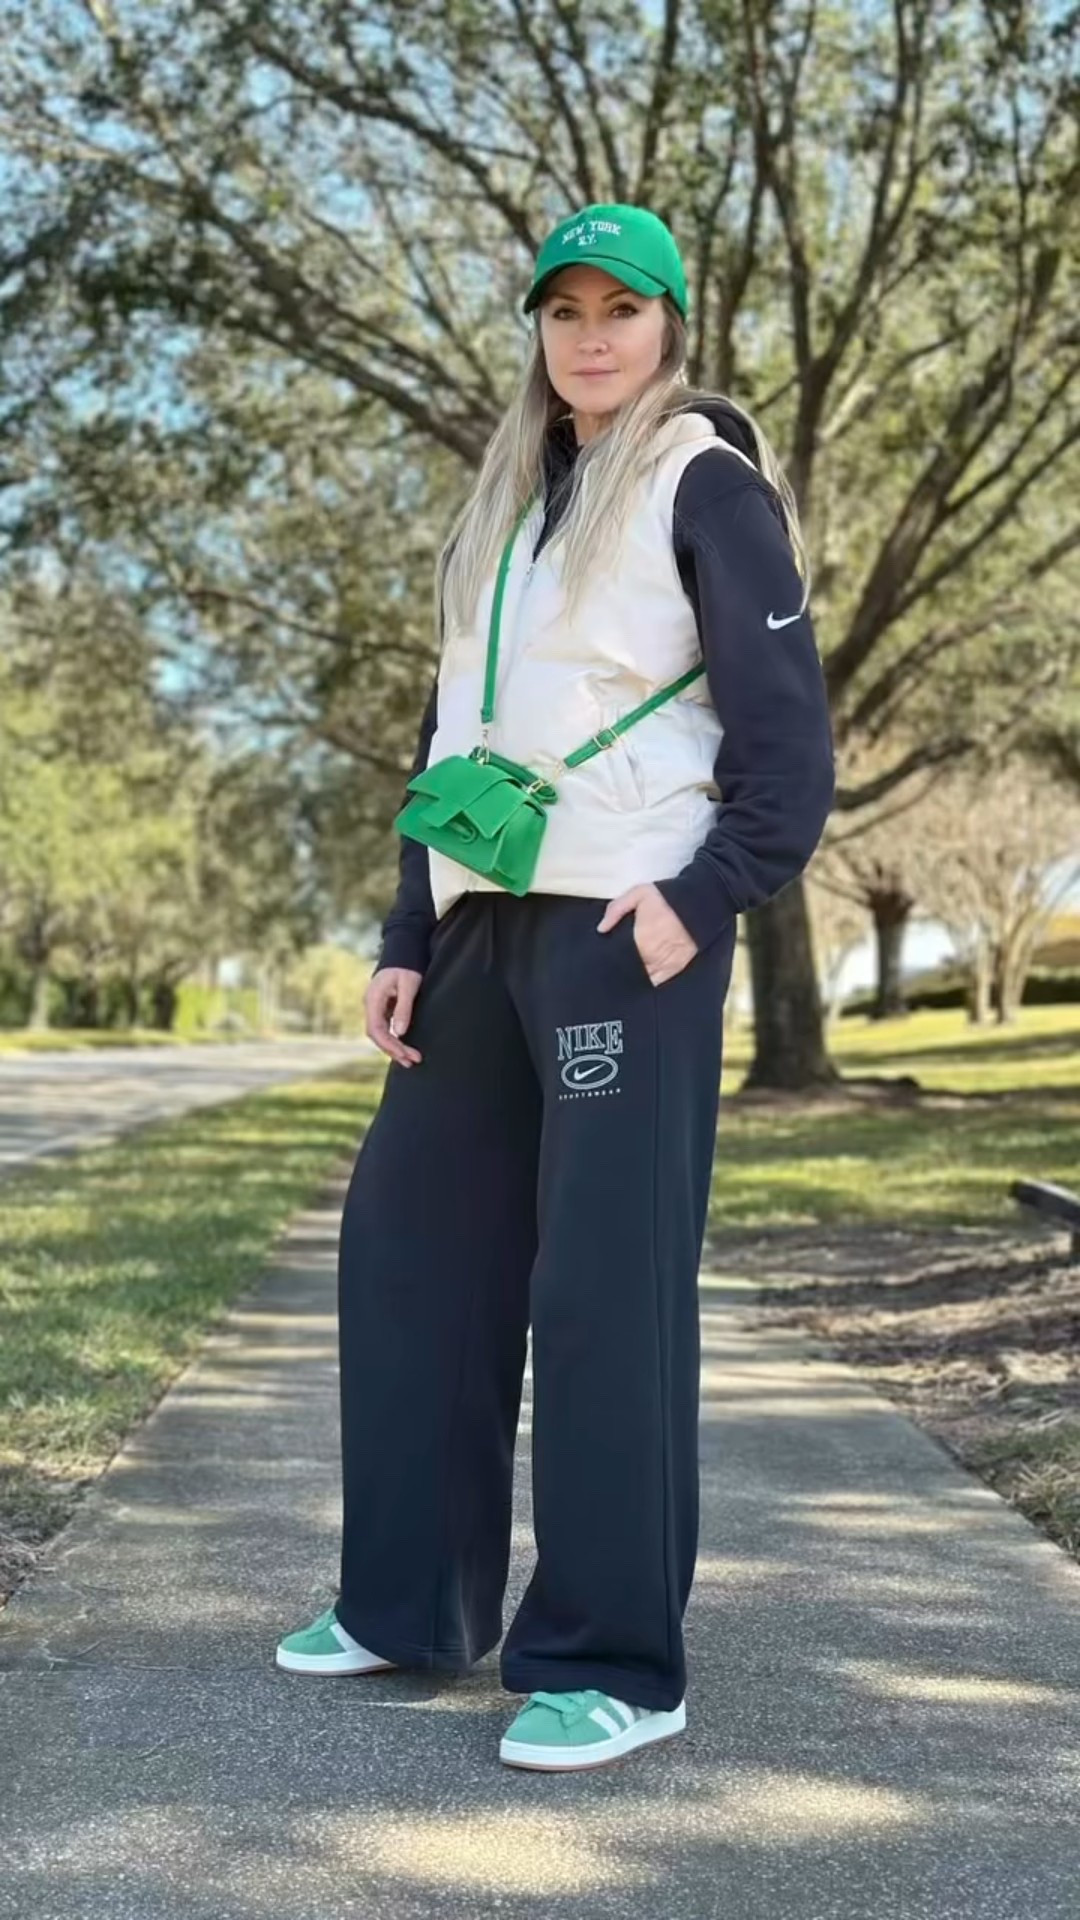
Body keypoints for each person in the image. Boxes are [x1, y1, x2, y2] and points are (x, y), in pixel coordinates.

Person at [275, 203, 835, 1773]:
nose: (592, 336)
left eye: (621, 309)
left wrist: (704, 898)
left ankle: (615, 1664)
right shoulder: (511, 506)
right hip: (479, 927)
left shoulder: (703, 482)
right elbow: (454, 736)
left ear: (668, 324)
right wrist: (407, 931)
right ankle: (407, 1604)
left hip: (624, 927)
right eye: (565, 309)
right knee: (410, 1257)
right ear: (537, 326)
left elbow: (788, 739)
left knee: (602, 1291)